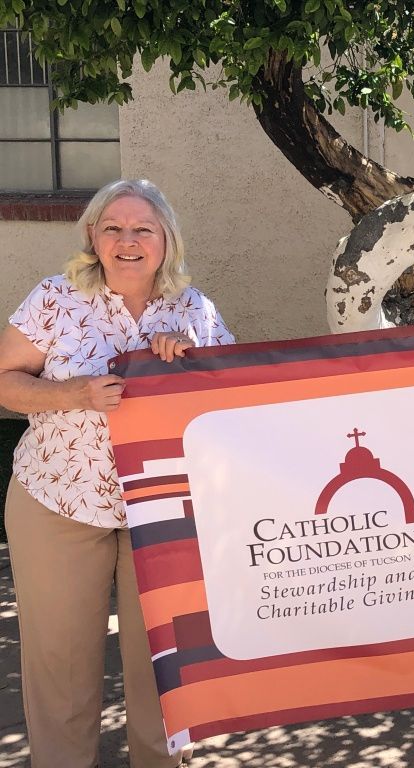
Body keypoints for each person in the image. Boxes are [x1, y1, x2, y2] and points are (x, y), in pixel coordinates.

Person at [0, 179, 235, 767]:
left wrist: (192, 362)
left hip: (161, 510)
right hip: (58, 500)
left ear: (166, 241)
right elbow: (5, 380)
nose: (127, 241)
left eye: (142, 230)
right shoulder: (56, 299)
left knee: (162, 666)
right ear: (93, 237)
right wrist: (72, 393)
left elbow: (228, 404)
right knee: (61, 662)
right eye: (113, 228)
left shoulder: (195, 310)